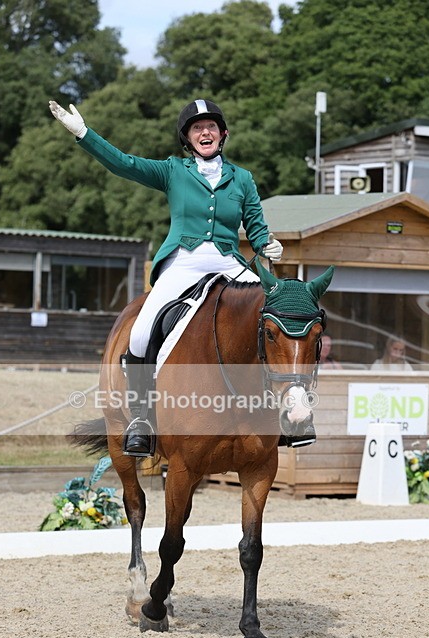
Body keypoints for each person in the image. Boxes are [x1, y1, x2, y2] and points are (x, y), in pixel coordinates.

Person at [49, 98, 283, 455]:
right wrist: (84, 133)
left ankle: (281, 414)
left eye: (211, 127)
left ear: (223, 134)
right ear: (188, 139)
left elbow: (256, 227)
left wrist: (269, 243)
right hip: (184, 260)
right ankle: (142, 418)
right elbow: (125, 164)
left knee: (274, 317)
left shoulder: (243, 179)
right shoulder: (173, 171)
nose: (205, 132)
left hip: (228, 261)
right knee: (141, 332)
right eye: (196, 128)